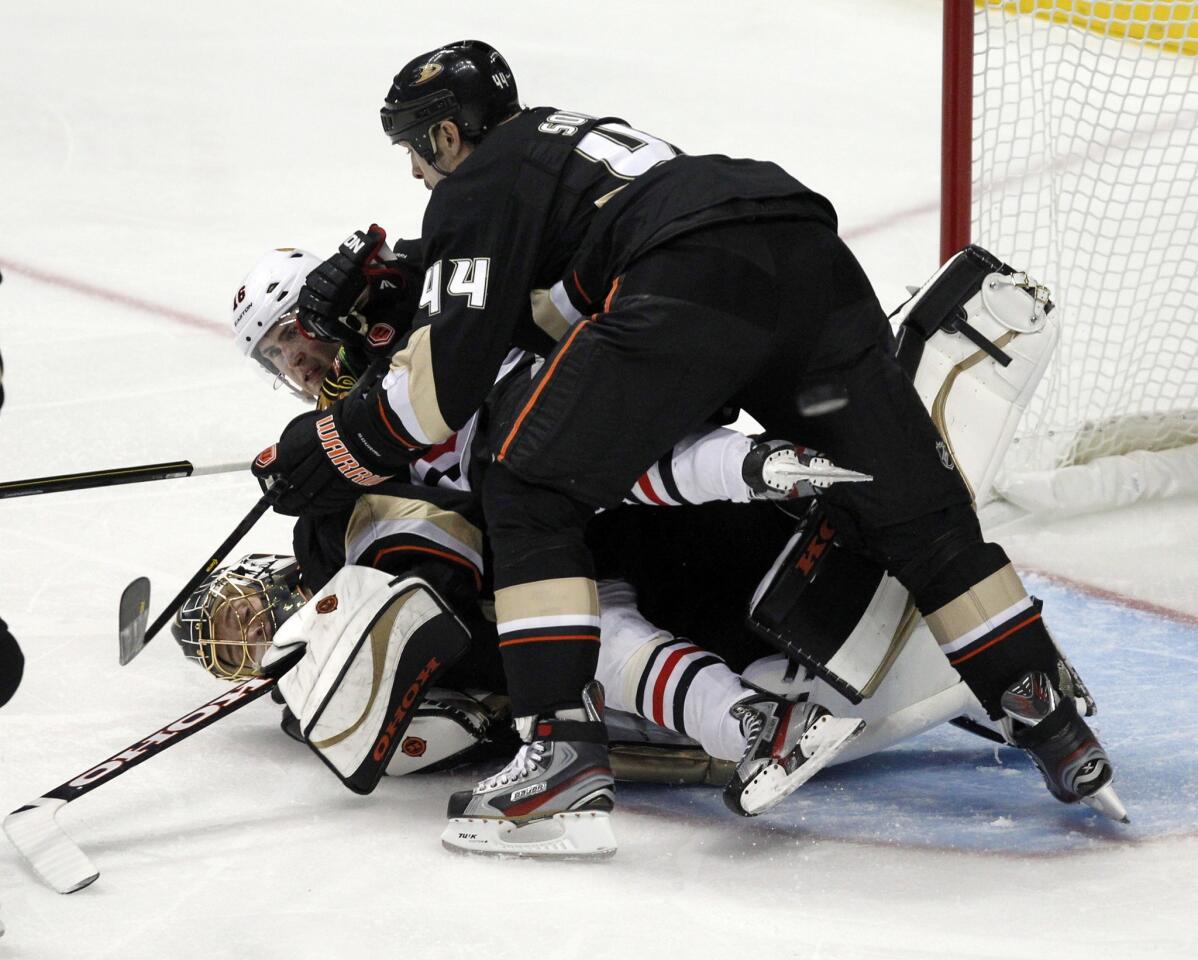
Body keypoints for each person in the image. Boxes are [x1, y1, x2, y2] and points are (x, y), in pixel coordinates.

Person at [248, 40, 1123, 854]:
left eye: (415, 146)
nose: (414, 169)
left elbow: (444, 389)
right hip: (802, 254)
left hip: (687, 279)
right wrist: (413, 280)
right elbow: (550, 306)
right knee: (920, 515)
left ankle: (558, 756)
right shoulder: (573, 146)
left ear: (447, 131)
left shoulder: (474, 186)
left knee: (525, 480)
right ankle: (1046, 711)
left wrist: (332, 444)